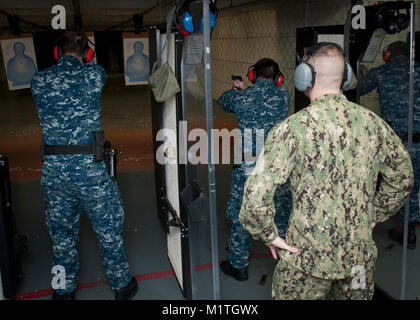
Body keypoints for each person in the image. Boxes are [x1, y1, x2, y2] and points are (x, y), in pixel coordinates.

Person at [239, 43, 414, 299]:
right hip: (358, 262)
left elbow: (255, 197)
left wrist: (268, 234)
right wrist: (376, 213)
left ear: (304, 76)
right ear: (346, 77)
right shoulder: (374, 125)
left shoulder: (291, 130)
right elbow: (403, 177)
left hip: (304, 262)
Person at [30, 30, 137, 300]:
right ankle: (122, 286)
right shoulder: (94, 74)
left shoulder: (39, 80)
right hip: (91, 172)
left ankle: (63, 290)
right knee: (109, 230)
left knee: (62, 237)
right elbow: (92, 68)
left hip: (56, 174)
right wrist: (88, 58)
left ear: (56, 53)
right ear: (88, 55)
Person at [217, 58, 292, 281]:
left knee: (242, 214)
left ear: (252, 76)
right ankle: (286, 263)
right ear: (278, 78)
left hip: (248, 168)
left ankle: (238, 265)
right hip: (277, 167)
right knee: (280, 213)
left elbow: (223, 101)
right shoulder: (284, 96)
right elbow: (268, 95)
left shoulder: (242, 97)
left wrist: (240, 89)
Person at [359, 41, 420, 249]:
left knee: (390, 180)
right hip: (418, 139)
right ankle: (409, 225)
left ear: (387, 55)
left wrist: (365, 74)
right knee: (414, 182)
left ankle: (381, 223)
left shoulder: (381, 72)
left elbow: (361, 88)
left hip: (395, 142)